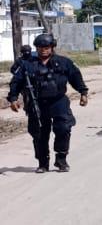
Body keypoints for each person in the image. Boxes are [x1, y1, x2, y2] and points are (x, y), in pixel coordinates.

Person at [7, 33, 89, 173]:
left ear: (52, 47)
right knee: (39, 133)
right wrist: (13, 98)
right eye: (40, 47)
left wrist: (83, 92)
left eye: (46, 47)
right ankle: (43, 163)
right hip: (37, 103)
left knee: (63, 128)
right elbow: (16, 82)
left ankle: (61, 160)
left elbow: (75, 76)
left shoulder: (63, 62)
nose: (43, 49)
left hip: (59, 101)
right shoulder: (27, 65)